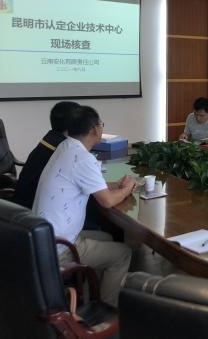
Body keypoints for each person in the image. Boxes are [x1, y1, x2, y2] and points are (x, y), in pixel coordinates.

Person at [32, 105, 136, 307]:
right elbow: (107, 201)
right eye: (101, 124)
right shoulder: (83, 158)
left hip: (45, 238)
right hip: (60, 247)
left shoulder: (65, 147)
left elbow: (85, 183)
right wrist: (127, 188)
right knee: (123, 253)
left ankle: (92, 297)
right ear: (95, 129)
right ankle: (108, 308)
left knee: (107, 238)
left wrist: (114, 185)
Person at [13, 101, 80, 208]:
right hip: (34, 208)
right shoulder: (62, 148)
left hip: (26, 201)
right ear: (74, 126)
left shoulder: (51, 139)